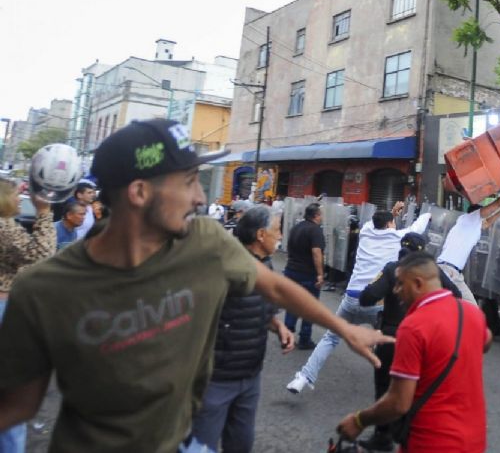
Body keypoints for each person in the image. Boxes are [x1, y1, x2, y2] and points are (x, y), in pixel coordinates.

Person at [0, 119, 390, 452]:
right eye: (188, 181)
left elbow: (274, 286)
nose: (201, 196)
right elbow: (16, 407)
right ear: (139, 193)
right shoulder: (43, 289)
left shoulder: (204, 241)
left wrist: (343, 329)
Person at [336, 252, 491, 452]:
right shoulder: (470, 313)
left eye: (400, 283)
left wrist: (359, 420)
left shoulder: (413, 327)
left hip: (430, 442)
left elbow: (398, 403)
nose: (396, 290)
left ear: (418, 284)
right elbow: (486, 341)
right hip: (474, 439)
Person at [286, 203, 430, 394]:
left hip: (351, 299)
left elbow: (377, 223)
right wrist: (428, 212)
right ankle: (401, 387)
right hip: (375, 304)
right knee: (392, 342)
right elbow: (418, 227)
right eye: (393, 222)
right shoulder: (398, 237)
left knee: (330, 338)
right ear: (389, 224)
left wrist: (391, 214)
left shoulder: (365, 232)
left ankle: (303, 377)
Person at [191, 205, 295, 452]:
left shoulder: (266, 265)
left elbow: (262, 309)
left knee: (241, 444)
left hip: (250, 377)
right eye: (277, 230)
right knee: (200, 447)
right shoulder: (223, 267)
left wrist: (279, 326)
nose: (280, 236)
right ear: (260, 235)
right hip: (216, 379)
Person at [355, 233, 462, 451]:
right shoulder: (433, 273)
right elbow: (456, 295)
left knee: (385, 387)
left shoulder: (391, 269)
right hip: (426, 338)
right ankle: (411, 435)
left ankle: (383, 436)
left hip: (391, 337)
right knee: (419, 390)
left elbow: (367, 297)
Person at [0, 176, 55, 453]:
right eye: (15, 194)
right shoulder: (3, 227)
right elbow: (42, 254)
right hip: (3, 311)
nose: (20, 199)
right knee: (11, 394)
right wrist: (44, 213)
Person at [435, 185, 500, 305]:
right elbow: (498, 203)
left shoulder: (468, 226)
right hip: (449, 271)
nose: (484, 220)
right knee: (471, 308)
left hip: (450, 270)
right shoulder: (469, 219)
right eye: (482, 217)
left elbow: (488, 223)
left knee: (451, 307)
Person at [282, 202, 326, 350]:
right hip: (308, 273)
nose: (322, 217)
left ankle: (287, 335)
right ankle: (305, 338)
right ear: (316, 215)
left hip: (291, 270)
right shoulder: (315, 231)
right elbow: (316, 252)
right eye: (321, 214)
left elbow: (289, 248)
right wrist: (320, 274)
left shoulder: (296, 228)